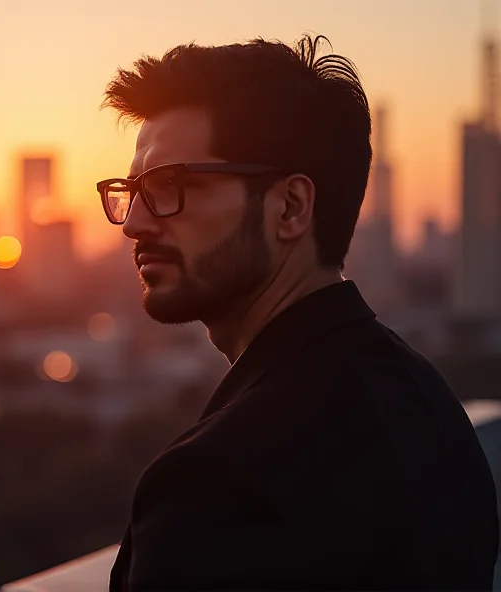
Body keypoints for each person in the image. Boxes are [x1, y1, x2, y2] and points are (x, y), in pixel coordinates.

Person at [96, 34, 499, 591]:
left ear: (289, 207)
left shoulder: (215, 485)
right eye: (132, 191)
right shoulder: (431, 408)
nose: (135, 223)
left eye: (171, 186)